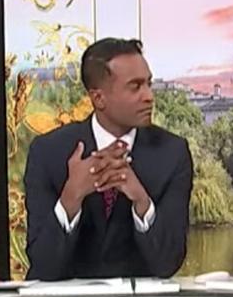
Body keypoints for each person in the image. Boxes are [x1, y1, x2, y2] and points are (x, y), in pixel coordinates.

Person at [24, 37, 194, 280]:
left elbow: (168, 264)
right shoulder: (48, 152)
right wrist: (71, 197)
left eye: (148, 84)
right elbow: (43, 265)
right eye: (135, 87)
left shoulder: (172, 153)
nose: (149, 97)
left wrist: (141, 201)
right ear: (98, 98)